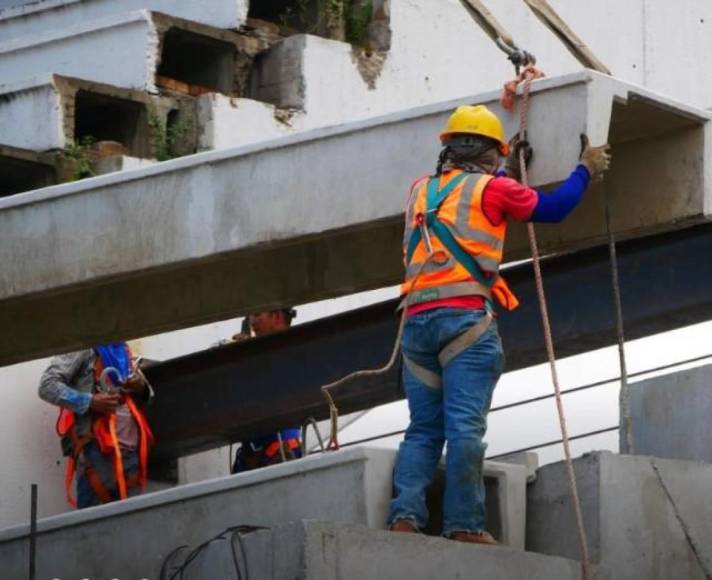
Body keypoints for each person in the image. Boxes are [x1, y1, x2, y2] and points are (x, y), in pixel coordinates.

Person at [388, 105, 611, 544]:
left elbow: (464, 211)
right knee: (465, 428)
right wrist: (584, 168)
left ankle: (404, 518)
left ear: (448, 149)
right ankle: (465, 525)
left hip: (415, 323)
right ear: (491, 153)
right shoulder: (494, 189)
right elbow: (555, 208)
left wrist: (507, 172)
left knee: (423, 430)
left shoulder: (419, 191)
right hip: (463, 321)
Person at [38, 343, 154, 509]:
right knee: (95, 531)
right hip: (96, 456)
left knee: (131, 527)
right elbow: (47, 386)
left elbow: (147, 395)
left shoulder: (122, 349)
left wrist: (141, 387)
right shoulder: (82, 347)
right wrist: (89, 401)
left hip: (130, 457)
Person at [230, 307, 304, 473]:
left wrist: (249, 356)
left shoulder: (291, 348)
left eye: (256, 315)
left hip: (280, 448)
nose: (252, 321)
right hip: (254, 453)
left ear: (277, 316)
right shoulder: (264, 352)